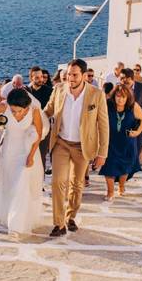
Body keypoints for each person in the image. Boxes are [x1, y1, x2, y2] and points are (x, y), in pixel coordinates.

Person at [43, 58, 109, 237]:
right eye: (68, 75)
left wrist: (102, 153)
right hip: (61, 143)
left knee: (77, 184)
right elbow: (47, 111)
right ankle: (58, 223)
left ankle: (71, 216)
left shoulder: (96, 94)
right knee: (57, 182)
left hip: (83, 146)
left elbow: (103, 125)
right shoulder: (58, 90)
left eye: (74, 75)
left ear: (84, 76)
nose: (70, 78)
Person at [0, 88, 45, 234]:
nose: (16, 114)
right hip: (8, 152)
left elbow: (39, 134)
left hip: (26, 152)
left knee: (21, 185)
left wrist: (30, 156)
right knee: (10, 184)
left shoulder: (34, 111)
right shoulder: (4, 107)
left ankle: (17, 224)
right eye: (13, 111)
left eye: (19, 111)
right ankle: (9, 216)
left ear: (27, 107)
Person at [99, 84, 142, 200]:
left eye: (123, 97)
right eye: (118, 96)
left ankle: (121, 186)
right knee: (109, 167)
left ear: (127, 98)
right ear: (114, 96)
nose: (120, 99)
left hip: (127, 143)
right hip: (110, 142)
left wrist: (137, 132)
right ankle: (110, 192)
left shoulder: (133, 106)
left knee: (125, 167)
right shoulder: (107, 105)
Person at [119, 67, 142, 172]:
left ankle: (133, 166)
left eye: (124, 80)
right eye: (121, 79)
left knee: (138, 146)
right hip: (123, 122)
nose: (122, 82)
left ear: (130, 79)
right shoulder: (120, 88)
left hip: (138, 123)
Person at [26, 67, 53, 171]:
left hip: (44, 128)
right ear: (31, 78)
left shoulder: (50, 91)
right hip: (28, 128)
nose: (41, 79)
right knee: (28, 154)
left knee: (41, 156)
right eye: (37, 77)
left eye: (41, 77)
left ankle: (40, 184)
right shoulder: (26, 91)